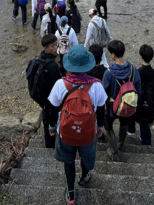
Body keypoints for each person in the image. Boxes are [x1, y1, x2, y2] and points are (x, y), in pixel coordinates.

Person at [47, 45, 107, 205]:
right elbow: (101, 110)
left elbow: (52, 109)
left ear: (69, 65)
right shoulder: (97, 85)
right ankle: (85, 176)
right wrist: (99, 126)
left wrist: (52, 126)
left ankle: (71, 194)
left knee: (68, 161)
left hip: (66, 131)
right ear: (88, 65)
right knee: (86, 155)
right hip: (88, 131)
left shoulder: (61, 84)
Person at [102, 39, 141, 161]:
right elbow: (138, 89)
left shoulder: (108, 72)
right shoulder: (134, 69)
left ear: (113, 54)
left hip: (111, 106)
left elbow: (103, 93)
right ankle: (121, 143)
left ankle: (114, 151)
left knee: (108, 128)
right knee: (124, 124)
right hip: (127, 104)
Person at [36, 34, 63, 149]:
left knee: (46, 121)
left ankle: (49, 144)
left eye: (56, 44)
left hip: (43, 100)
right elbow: (58, 87)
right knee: (51, 125)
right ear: (45, 48)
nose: (55, 47)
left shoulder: (41, 59)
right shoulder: (52, 66)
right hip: (51, 101)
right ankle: (51, 148)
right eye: (52, 46)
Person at [135, 44, 154, 146]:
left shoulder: (137, 73)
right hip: (150, 103)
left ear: (141, 56)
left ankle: (136, 135)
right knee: (146, 123)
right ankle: (146, 143)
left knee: (141, 122)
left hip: (139, 103)